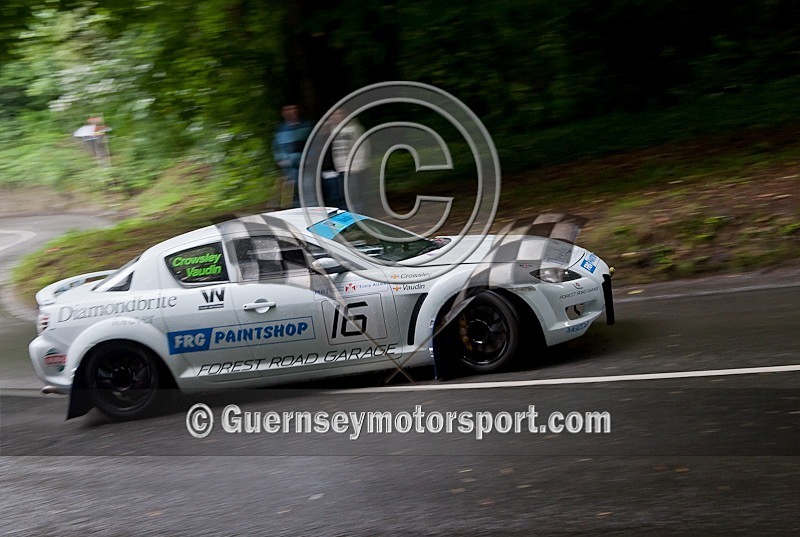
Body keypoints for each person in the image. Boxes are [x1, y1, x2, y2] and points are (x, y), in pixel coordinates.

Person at [321, 108, 371, 212]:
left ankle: (359, 220)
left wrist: (356, 166)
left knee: (354, 198)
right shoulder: (331, 129)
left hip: (352, 169)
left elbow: (362, 148)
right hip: (339, 169)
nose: (336, 116)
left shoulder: (353, 127)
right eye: (333, 114)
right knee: (342, 199)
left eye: (339, 113)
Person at [272, 104, 311, 208]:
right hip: (289, 170)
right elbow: (277, 148)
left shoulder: (307, 126)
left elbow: (314, 145)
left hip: (306, 168)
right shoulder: (280, 130)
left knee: (310, 196)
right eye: (287, 109)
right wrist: (282, 160)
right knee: (292, 199)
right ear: (283, 112)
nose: (291, 111)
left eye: (293, 108)